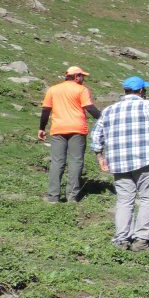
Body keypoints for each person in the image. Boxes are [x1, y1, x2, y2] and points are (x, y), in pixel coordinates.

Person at [90, 76, 149, 252]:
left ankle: (121, 239)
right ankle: (141, 240)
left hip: (118, 163)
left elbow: (96, 135)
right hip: (144, 160)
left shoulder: (109, 110)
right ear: (141, 91)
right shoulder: (147, 105)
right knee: (147, 198)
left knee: (124, 200)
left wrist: (100, 158)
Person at [39, 65, 102, 204]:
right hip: (77, 130)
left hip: (58, 130)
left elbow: (45, 110)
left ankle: (53, 197)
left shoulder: (53, 89)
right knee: (76, 161)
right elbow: (90, 108)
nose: (83, 79)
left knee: (57, 162)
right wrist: (104, 119)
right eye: (82, 76)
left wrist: (41, 128)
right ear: (76, 76)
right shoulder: (81, 90)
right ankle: (72, 196)